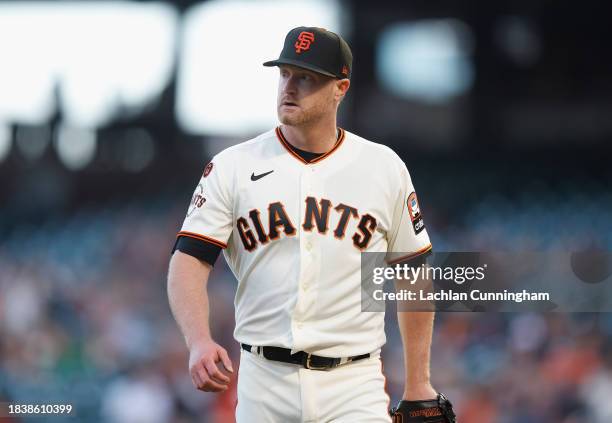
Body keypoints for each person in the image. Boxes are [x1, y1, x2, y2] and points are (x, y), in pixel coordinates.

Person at [167, 26, 451, 422]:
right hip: (264, 381)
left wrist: (419, 381)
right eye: (285, 73)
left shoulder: (382, 166)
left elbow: (411, 274)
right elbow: (188, 261)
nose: (290, 86)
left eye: (307, 78)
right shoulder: (233, 166)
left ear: (341, 88)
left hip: (354, 383)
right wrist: (198, 340)